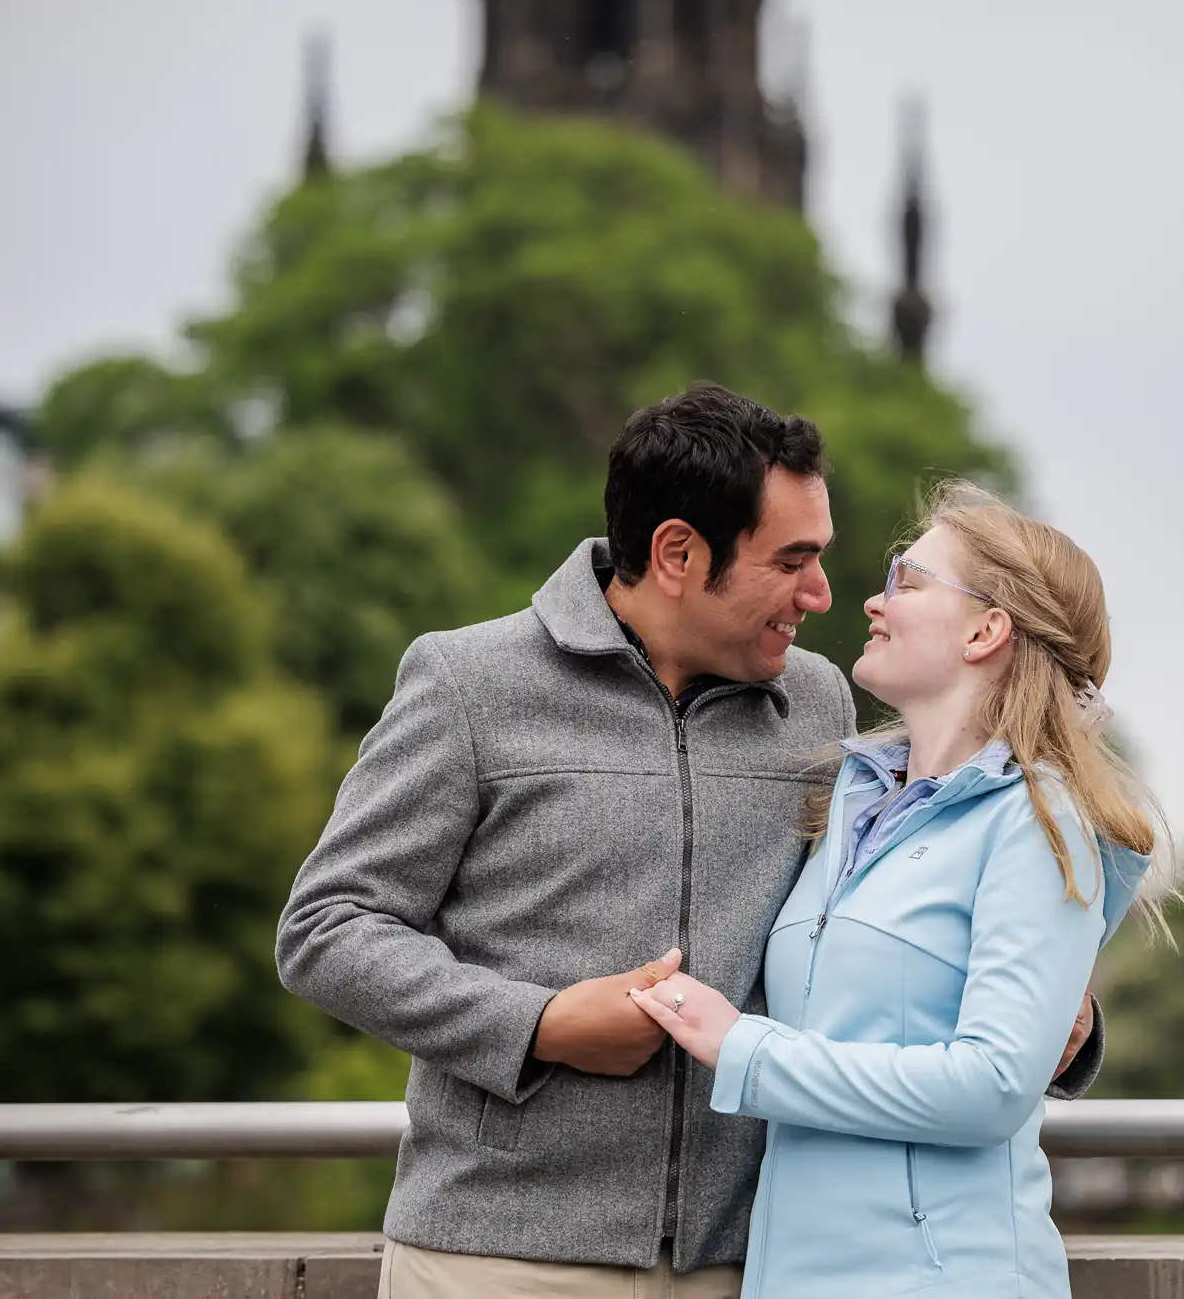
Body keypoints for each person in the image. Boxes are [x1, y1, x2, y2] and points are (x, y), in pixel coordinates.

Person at [275, 386, 1105, 1298]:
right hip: (496, 1254)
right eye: (791, 560)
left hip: (741, 1263)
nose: (822, 593)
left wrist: (1051, 1013)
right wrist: (538, 1025)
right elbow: (327, 927)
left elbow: (906, 913)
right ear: (678, 553)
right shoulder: (469, 684)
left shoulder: (819, 705)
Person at [628, 480, 1173, 1298]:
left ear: (986, 630)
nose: (874, 602)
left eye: (907, 582)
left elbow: (993, 1087)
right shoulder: (847, 798)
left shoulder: (1037, 820)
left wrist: (745, 1048)